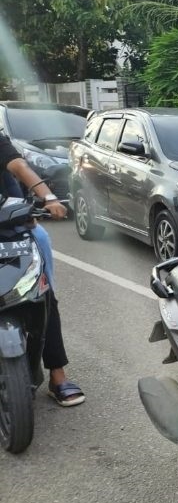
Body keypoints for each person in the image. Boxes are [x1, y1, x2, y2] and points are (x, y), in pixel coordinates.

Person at [0, 133, 81, 407]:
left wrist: (48, 197)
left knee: (42, 290)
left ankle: (57, 375)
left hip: (7, 221)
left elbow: (17, 164)